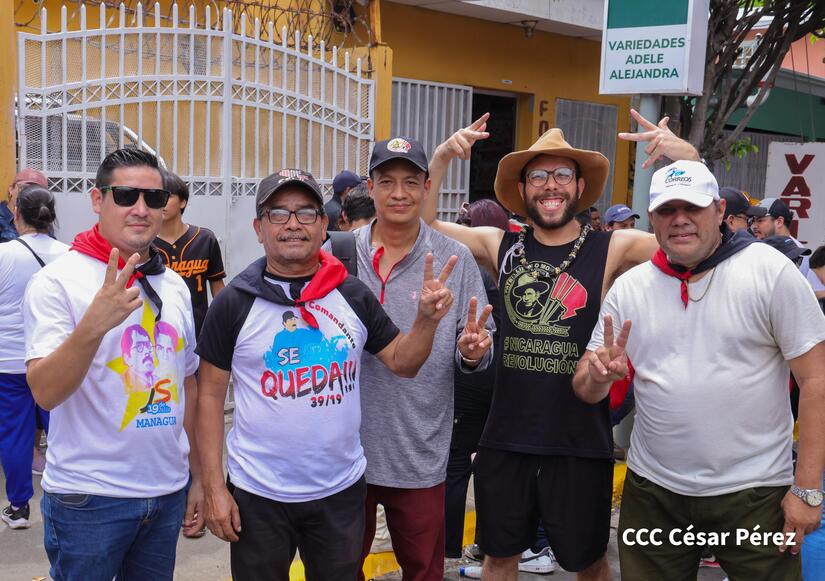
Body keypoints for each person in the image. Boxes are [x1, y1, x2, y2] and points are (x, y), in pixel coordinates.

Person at [422, 109, 699, 580]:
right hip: (506, 435)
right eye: (538, 177)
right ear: (523, 190)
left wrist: (687, 158)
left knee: (588, 562)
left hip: (579, 439)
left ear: (579, 186)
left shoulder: (610, 247)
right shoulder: (500, 244)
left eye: (562, 175)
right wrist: (443, 156)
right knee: (498, 558)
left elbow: (688, 240)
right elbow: (427, 222)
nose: (550, 185)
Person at [194, 168, 492, 581]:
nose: (293, 224)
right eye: (278, 213)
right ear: (259, 228)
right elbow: (209, 397)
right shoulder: (234, 303)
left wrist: (426, 320)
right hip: (258, 495)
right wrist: (213, 488)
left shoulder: (350, 294)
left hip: (340, 493)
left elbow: (403, 362)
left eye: (306, 213)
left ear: (324, 227)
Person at [574, 159, 825, 580]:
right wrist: (597, 376)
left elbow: (816, 380)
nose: (680, 219)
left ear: (719, 211)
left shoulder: (769, 271)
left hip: (754, 495)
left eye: (692, 207)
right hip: (654, 494)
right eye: (667, 210)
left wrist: (807, 490)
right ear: (652, 218)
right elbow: (585, 386)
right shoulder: (631, 287)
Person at [23, 149, 203, 580]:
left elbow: (188, 382)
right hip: (89, 499)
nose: (141, 209)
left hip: (166, 491)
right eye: (125, 195)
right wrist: (94, 325)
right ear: (97, 200)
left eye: (153, 198)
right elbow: (45, 392)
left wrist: (198, 476)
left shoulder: (173, 284)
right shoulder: (57, 281)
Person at [354, 137, 494, 581]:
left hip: (419, 450)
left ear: (427, 187)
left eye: (411, 182)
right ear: (370, 188)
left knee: (424, 572)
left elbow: (477, 339)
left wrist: (472, 353)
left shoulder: (455, 258)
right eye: (387, 182)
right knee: (338, 568)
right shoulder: (338, 254)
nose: (399, 193)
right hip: (345, 453)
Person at [0, 185, 67, 529]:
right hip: (55, 360)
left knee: (15, 434)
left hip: (9, 361)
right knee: (63, 430)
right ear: (52, 216)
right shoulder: (69, 256)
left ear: (16, 214)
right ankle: (68, 496)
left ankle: (19, 508)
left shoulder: (4, 255)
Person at [155, 170, 226, 339]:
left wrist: (225, 322)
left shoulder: (205, 239)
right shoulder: (145, 245)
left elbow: (217, 287)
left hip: (200, 331)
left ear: (183, 202)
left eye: (168, 196)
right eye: (157, 196)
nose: (161, 202)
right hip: (161, 332)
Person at [0, 168, 49, 243]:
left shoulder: (41, 219)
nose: (29, 195)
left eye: (37, 192)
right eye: (24, 188)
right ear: (11, 189)